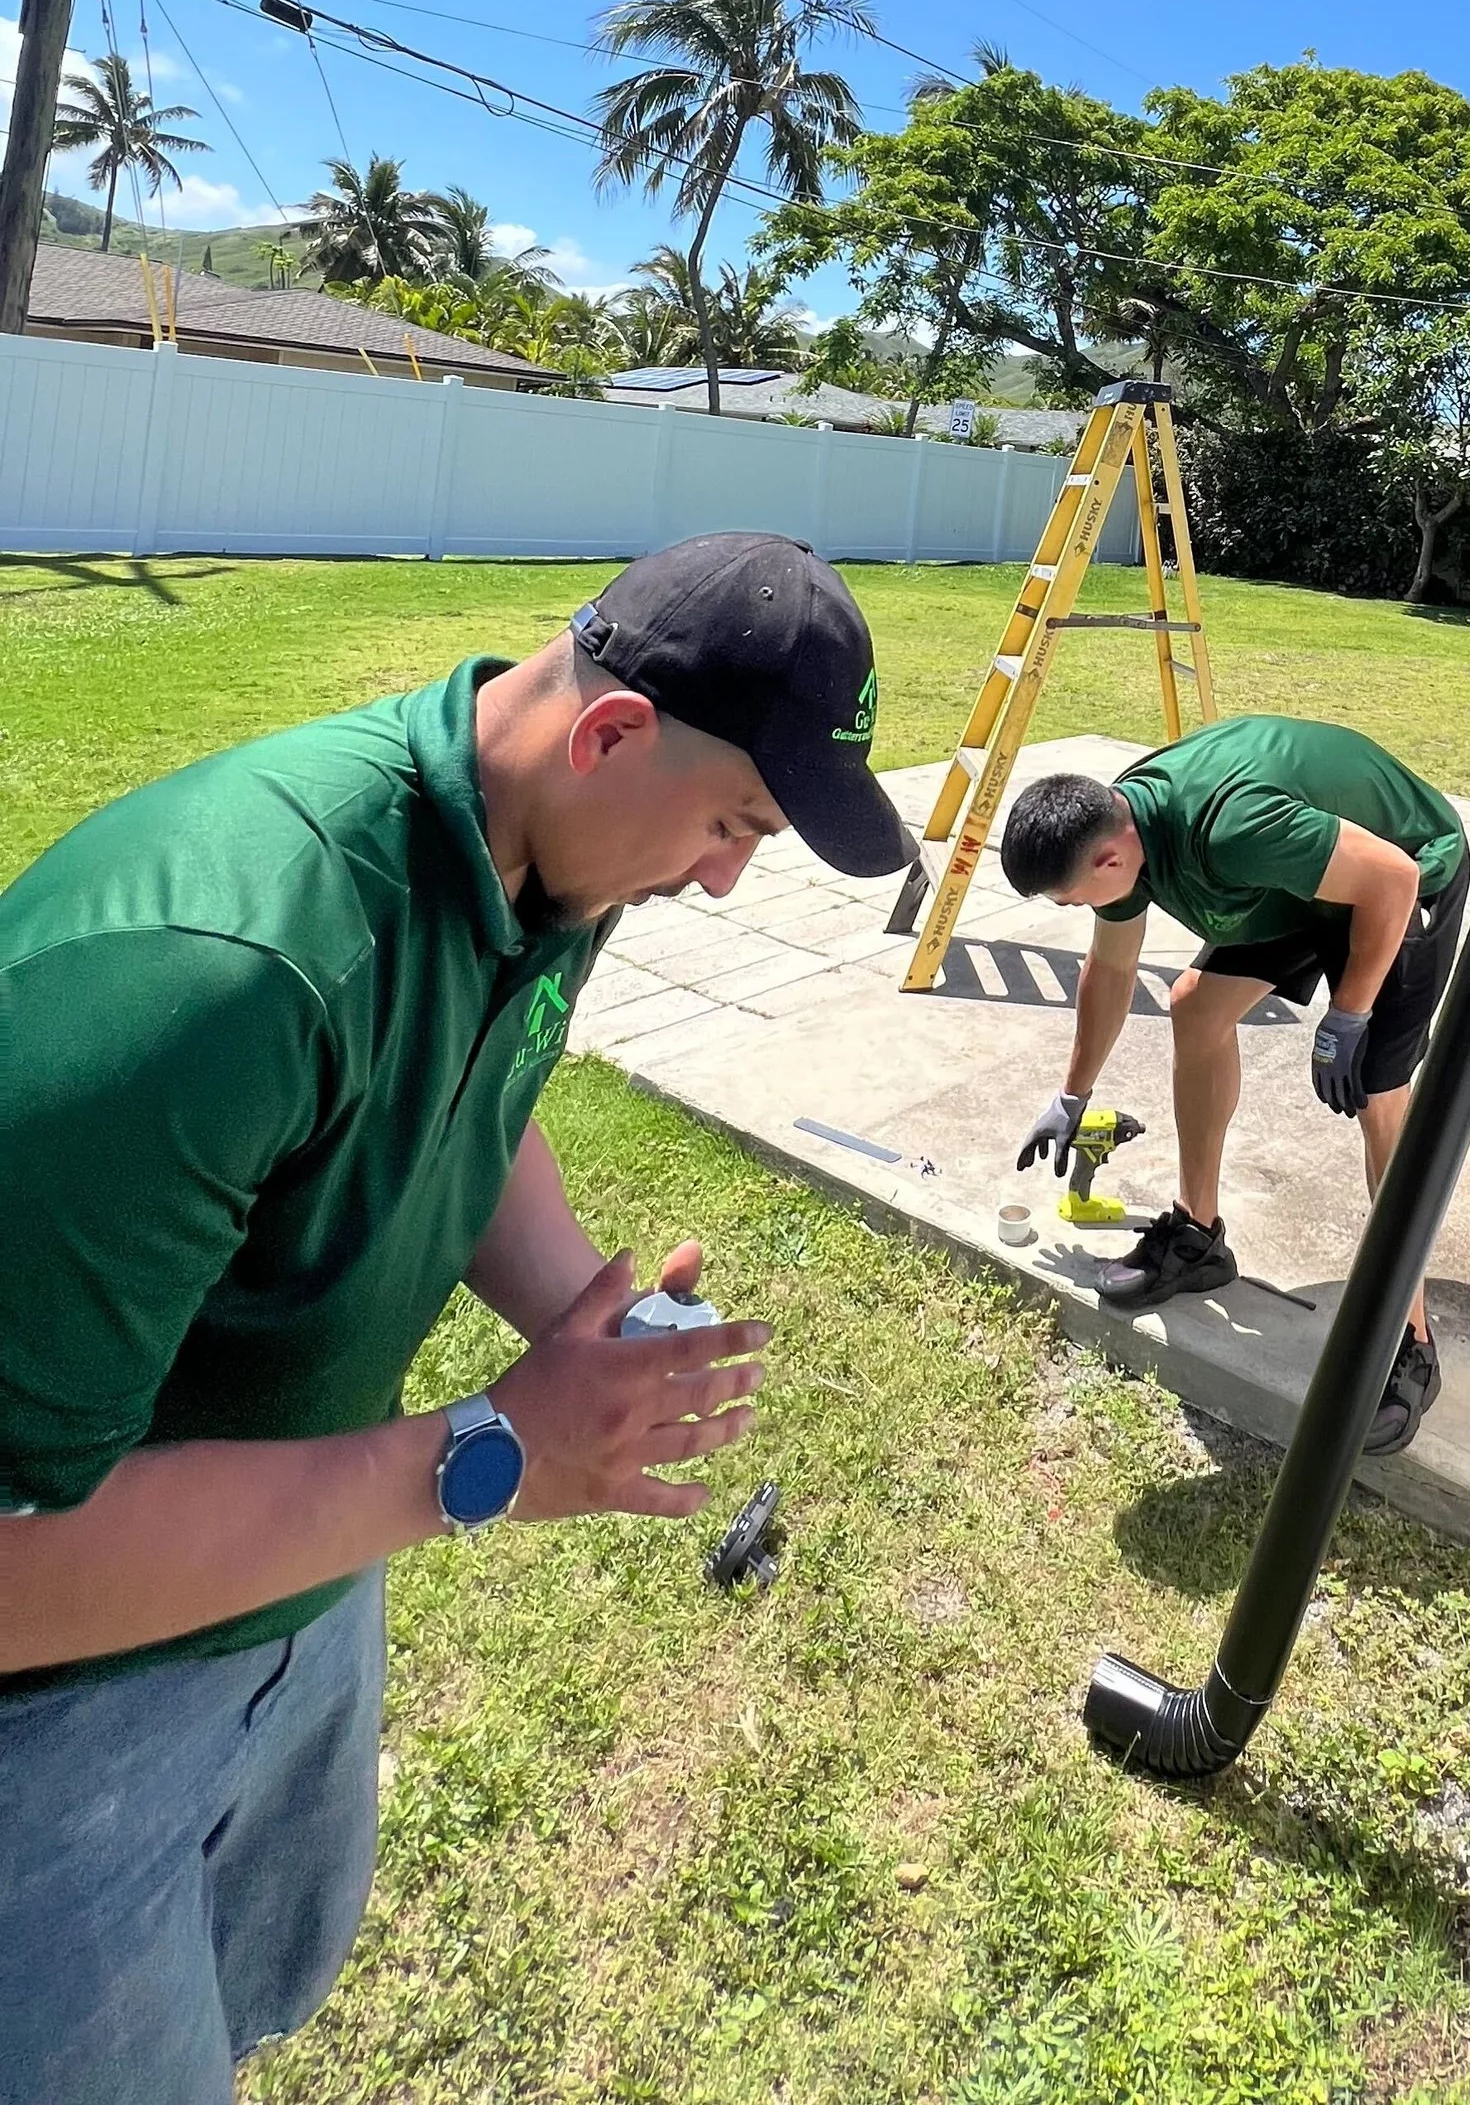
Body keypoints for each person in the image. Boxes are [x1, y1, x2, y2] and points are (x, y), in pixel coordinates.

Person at [0, 531, 911, 2105]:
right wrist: (485, 1456)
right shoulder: (221, 974)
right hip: (58, 1717)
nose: (719, 879)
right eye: (730, 825)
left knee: (240, 1999)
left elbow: (478, 1087)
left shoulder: (548, 845)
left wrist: (585, 1318)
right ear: (611, 733)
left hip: (298, 1571)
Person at [999, 715, 1470, 1456]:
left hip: (1402, 877)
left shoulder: (1233, 828)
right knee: (1196, 1006)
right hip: (1301, 884)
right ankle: (1198, 1233)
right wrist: (1072, 1094)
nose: (1077, 909)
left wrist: (1347, 1015)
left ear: (1111, 856)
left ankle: (1409, 1341)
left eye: (1072, 897)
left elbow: (1392, 878)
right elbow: (1115, 969)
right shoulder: (1122, 828)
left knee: (1380, 1098)